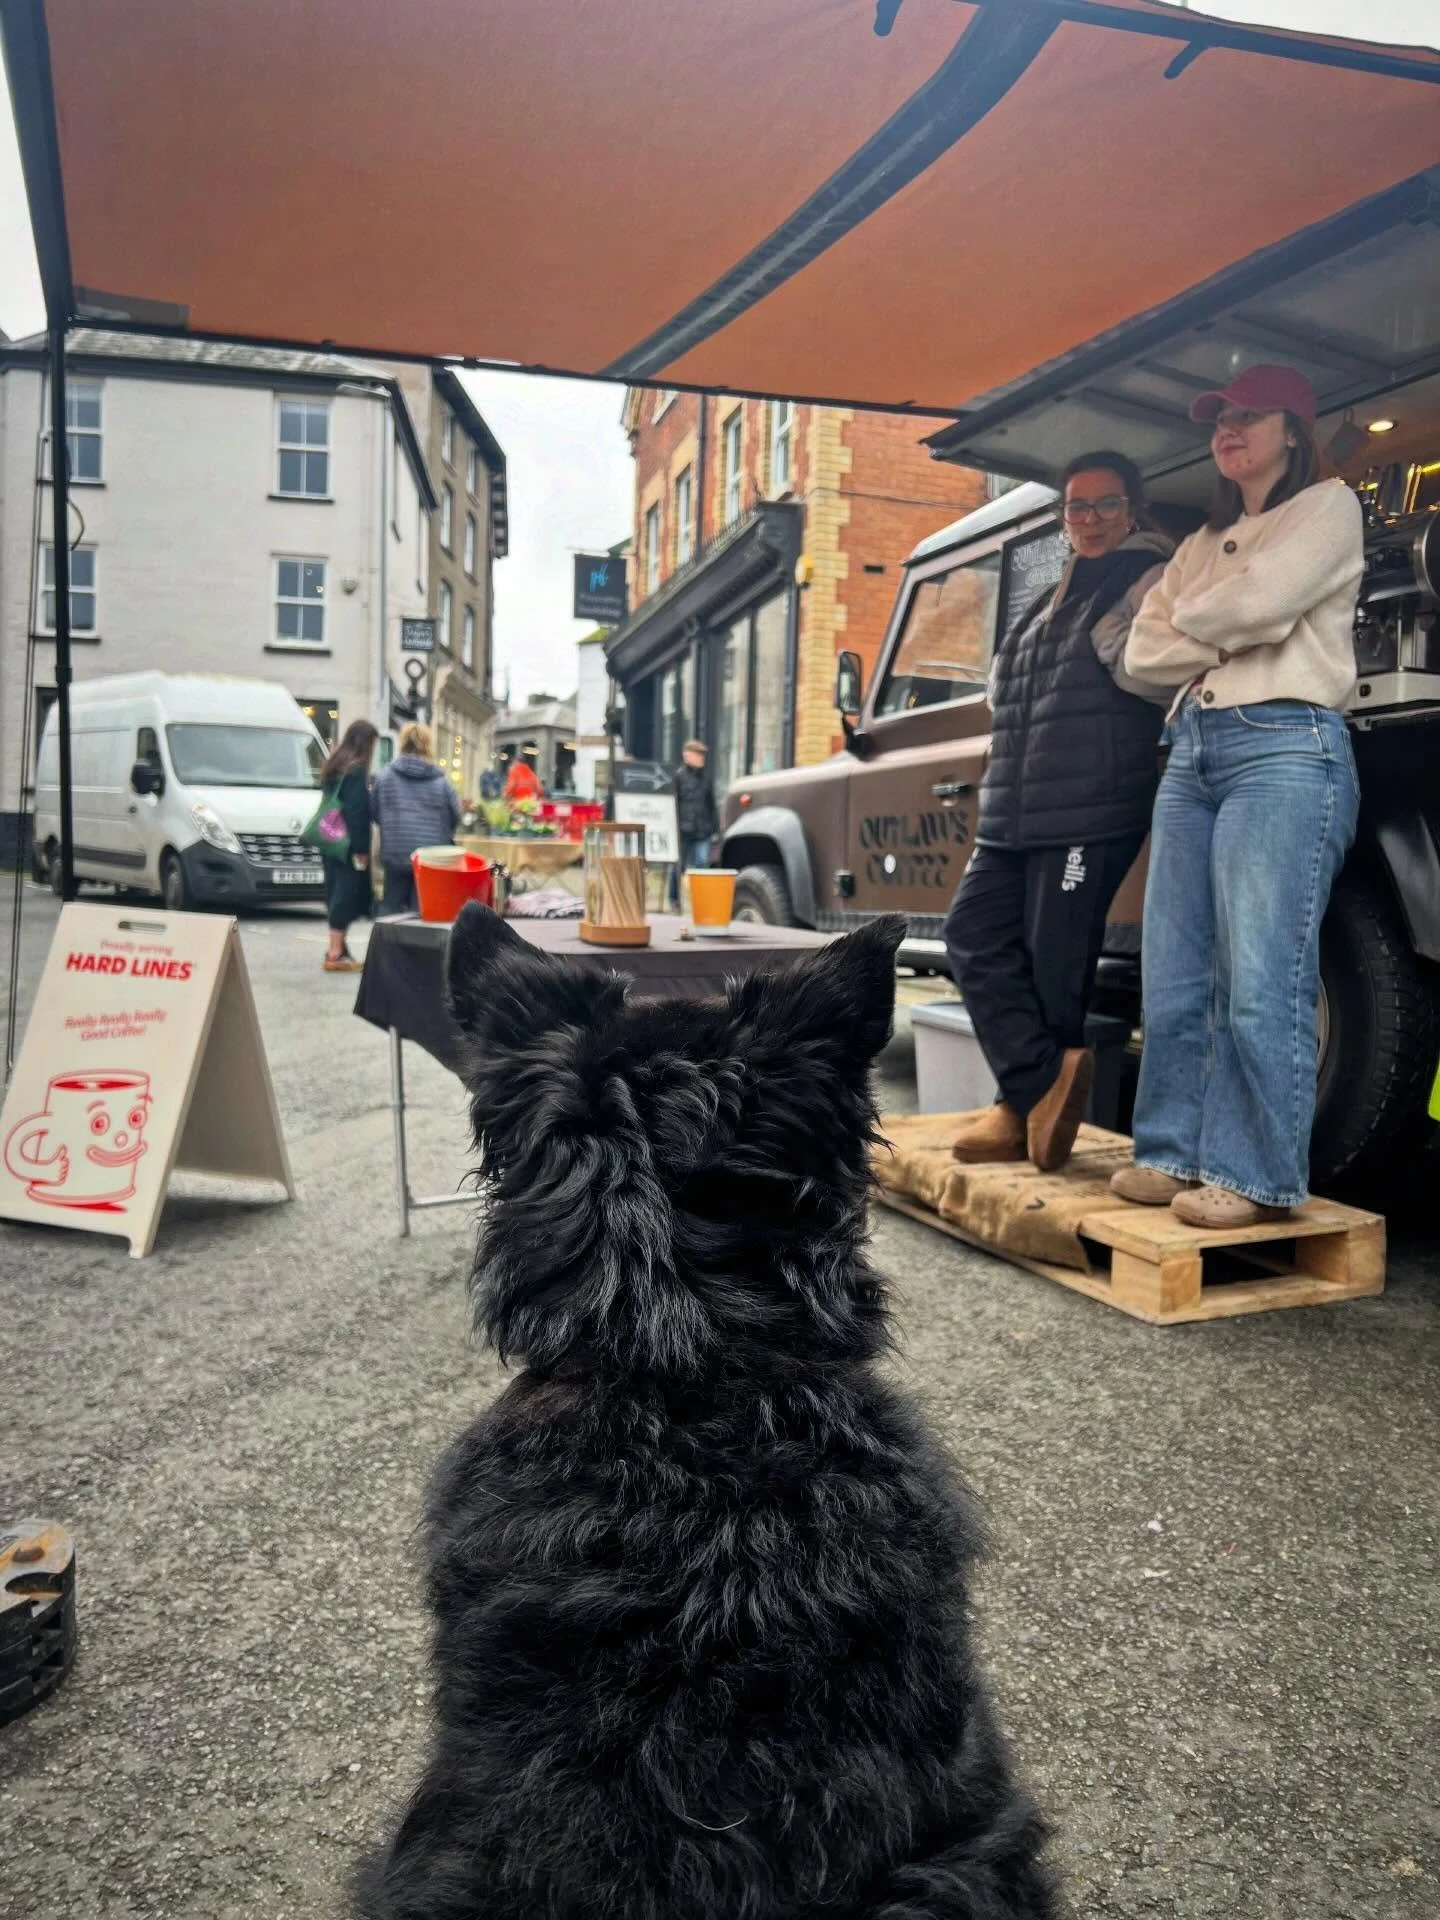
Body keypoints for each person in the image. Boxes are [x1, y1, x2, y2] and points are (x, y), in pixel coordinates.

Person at [1113, 364, 1363, 1228]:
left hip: (1285, 744)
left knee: (1262, 977)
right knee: (1175, 970)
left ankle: (1254, 1175)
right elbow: (1141, 657)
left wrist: (1200, 621)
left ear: (1292, 431)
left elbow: (1266, 604)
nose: (1229, 430)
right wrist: (1218, 624)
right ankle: (1172, 1152)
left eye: (1250, 417)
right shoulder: (1196, 544)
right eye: (1220, 419)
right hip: (1191, 750)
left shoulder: (1328, 505)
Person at [943, 452, 1173, 1171]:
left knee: (1055, 963)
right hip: (1013, 813)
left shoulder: (1148, 580)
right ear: (1061, 518)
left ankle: (1020, 1111)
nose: (1092, 519)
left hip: (1087, 810)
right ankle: (1039, 1083)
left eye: (1106, 505)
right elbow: (1002, 698)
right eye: (1078, 507)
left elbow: (1153, 672)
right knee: (970, 935)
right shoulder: (1046, 599)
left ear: (1133, 509)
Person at [373, 721, 462, 914]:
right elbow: (456, 816)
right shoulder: (441, 782)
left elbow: (375, 812)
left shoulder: (385, 776)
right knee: (423, 913)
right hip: (431, 860)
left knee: (391, 911)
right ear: (428, 746)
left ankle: (389, 943)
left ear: (402, 743)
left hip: (395, 854)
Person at [318, 718, 378, 973]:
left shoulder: (335, 766)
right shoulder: (355, 771)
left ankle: (339, 948)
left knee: (336, 890)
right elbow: (356, 811)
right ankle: (334, 952)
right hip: (348, 844)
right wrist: (361, 849)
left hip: (330, 839)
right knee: (346, 893)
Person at [673, 738, 718, 905]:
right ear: (687, 756)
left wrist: (715, 829)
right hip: (683, 830)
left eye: (703, 756)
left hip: (702, 830)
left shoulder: (706, 778)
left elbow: (712, 805)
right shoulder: (678, 777)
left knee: (702, 865)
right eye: (698, 755)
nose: (702, 759)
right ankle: (674, 899)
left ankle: (701, 899)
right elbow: (674, 803)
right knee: (678, 867)